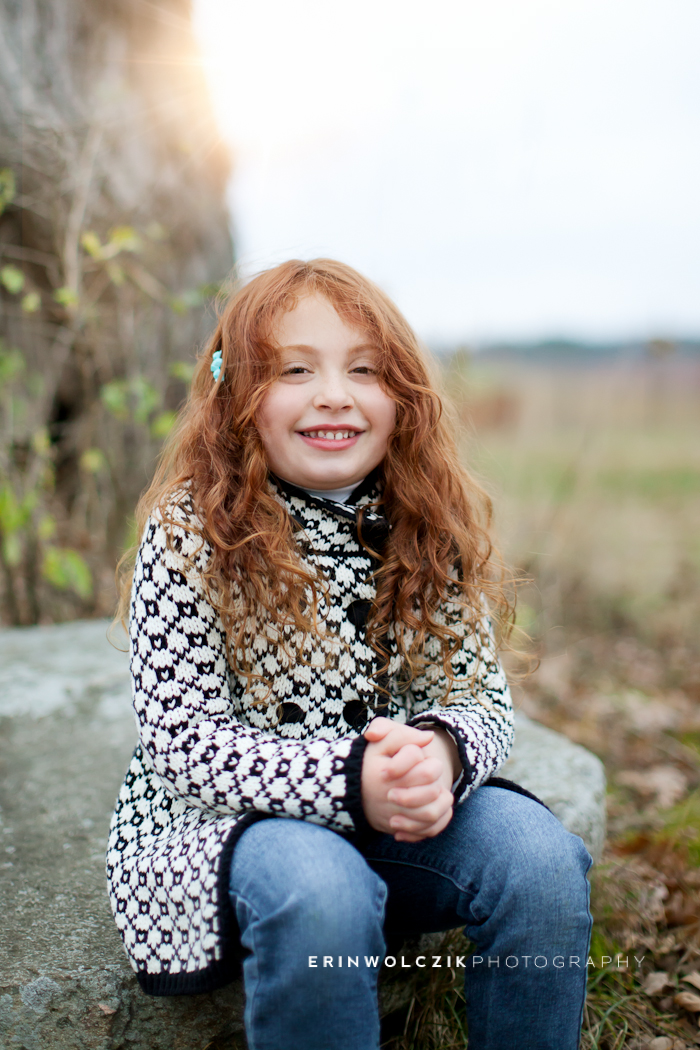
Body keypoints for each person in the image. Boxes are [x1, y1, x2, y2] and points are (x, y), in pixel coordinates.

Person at [106, 258, 592, 1050]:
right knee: (321, 891)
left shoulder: (423, 519)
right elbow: (179, 737)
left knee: (538, 861)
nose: (335, 393)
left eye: (363, 370)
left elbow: (477, 696)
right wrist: (345, 779)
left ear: (400, 398)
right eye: (296, 370)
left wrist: (440, 752)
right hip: (239, 827)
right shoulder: (190, 530)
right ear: (238, 395)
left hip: (393, 816)